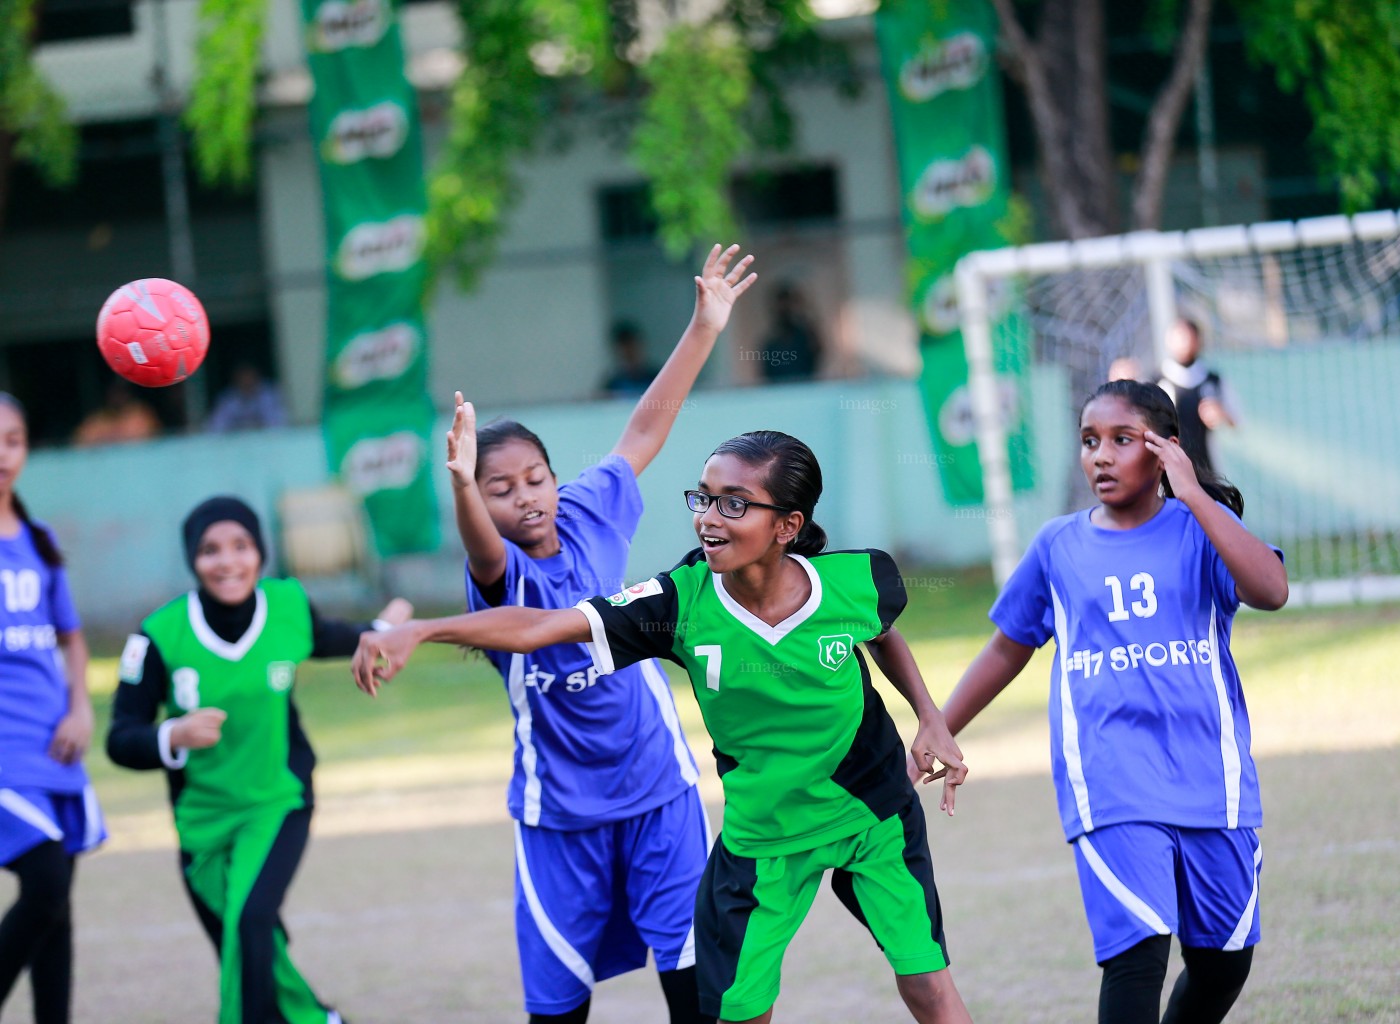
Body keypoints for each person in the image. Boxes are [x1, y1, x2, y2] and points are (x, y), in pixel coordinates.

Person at [353, 429, 973, 1024]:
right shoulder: (676, 605)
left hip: (874, 814)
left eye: (734, 504)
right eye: (703, 497)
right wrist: (423, 629)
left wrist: (931, 718)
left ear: (787, 526)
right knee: (739, 1010)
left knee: (926, 983)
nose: (708, 516)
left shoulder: (854, 578)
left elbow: (881, 630)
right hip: (764, 841)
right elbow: (541, 626)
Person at [440, 243, 755, 1024]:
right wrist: (460, 486)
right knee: (557, 1009)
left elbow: (645, 429)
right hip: (560, 818)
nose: (525, 500)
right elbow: (481, 548)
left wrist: (704, 328)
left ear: (556, 478)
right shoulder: (501, 574)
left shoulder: (589, 513)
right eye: (499, 490)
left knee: (699, 990)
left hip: (659, 792)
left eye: (533, 480)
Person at [937, 379, 1288, 1024]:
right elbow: (1006, 649)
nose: (1100, 455)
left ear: (1164, 451)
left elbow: (1270, 589)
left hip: (1213, 776)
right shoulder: (1058, 546)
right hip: (1111, 777)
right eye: (1089, 441)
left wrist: (1196, 498)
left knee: (1223, 961)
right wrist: (939, 725)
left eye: (1121, 441)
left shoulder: (1202, 530)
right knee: (1138, 953)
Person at [106, 496, 410, 1024]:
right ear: (192, 560)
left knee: (249, 923)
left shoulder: (287, 606)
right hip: (201, 819)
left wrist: (386, 631)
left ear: (260, 553)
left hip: (278, 799)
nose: (228, 562)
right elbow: (120, 738)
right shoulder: (158, 635)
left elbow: (337, 637)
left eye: (241, 547)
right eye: (210, 550)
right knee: (249, 942)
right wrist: (173, 734)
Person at [0, 393, 105, 1024]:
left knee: (58, 906)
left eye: (12, 439)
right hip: (3, 754)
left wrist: (81, 710)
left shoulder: (39, 540)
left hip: (53, 742)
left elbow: (70, 637)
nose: (1, 454)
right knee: (45, 883)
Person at [1157, 317, 1237, 472]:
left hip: (1208, 470)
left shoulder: (1213, 380)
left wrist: (1222, 415)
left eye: (1187, 336)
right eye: (1178, 337)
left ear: (1198, 340)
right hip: (1170, 473)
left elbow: (1236, 422)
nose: (1183, 342)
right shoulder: (1157, 381)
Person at [757, 283, 822, 383]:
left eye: (788, 305)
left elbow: (818, 351)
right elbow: (765, 375)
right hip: (779, 394)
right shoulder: (770, 343)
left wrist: (805, 312)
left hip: (806, 391)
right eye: (781, 306)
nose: (784, 310)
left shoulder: (804, 336)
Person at [72, 379, 161, 446]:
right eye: (114, 392)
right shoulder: (97, 419)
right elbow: (78, 444)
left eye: (122, 392)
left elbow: (154, 440)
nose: (118, 396)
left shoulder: (141, 414)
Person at [205, 363, 287, 433]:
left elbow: (278, 423)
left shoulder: (268, 394)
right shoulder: (228, 399)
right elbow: (215, 426)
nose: (246, 381)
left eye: (249, 377)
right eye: (243, 378)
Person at [599, 321, 661, 397]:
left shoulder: (658, 377)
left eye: (632, 346)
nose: (629, 351)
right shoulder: (612, 385)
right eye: (625, 348)